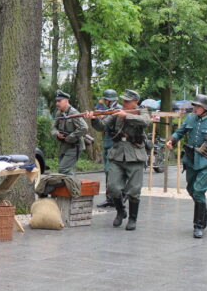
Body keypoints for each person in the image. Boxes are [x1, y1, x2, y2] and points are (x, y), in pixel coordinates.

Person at [166, 94, 207, 238]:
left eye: (198, 106)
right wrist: (172, 140)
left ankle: (199, 225)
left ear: (206, 108)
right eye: (194, 105)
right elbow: (180, 131)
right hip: (191, 159)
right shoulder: (190, 118)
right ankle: (205, 213)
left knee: (198, 190)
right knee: (191, 189)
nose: (195, 108)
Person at [87, 90, 149, 230]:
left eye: (128, 101)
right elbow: (102, 126)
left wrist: (126, 115)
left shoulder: (142, 111)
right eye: (124, 100)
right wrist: (93, 118)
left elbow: (146, 121)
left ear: (135, 102)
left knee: (134, 190)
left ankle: (133, 219)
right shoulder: (117, 112)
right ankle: (121, 211)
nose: (125, 103)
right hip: (117, 153)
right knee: (113, 187)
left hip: (135, 154)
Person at [96, 89, 122, 208]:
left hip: (114, 144)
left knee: (110, 171)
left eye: (105, 99)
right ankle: (110, 198)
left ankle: (115, 197)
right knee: (108, 172)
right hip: (108, 143)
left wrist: (103, 118)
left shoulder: (117, 109)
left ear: (107, 100)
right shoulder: (110, 110)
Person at [50, 90, 87, 175]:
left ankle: (75, 186)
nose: (57, 103)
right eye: (56, 101)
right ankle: (69, 187)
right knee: (63, 172)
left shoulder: (73, 113)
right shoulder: (59, 113)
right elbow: (53, 127)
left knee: (63, 170)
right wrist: (57, 134)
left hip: (74, 146)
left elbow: (84, 128)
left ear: (66, 101)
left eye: (59, 101)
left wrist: (70, 137)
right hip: (64, 146)